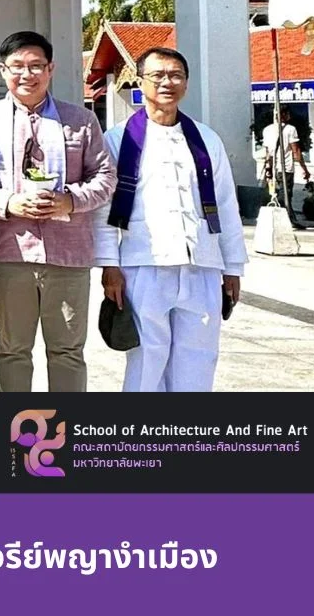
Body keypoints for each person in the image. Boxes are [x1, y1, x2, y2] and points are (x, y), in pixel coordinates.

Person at [0, 31, 115, 394]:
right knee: (13, 351)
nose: (26, 75)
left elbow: (106, 176)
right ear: (2, 70)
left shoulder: (80, 121)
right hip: (10, 253)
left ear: (51, 69)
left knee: (67, 352)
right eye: (17, 67)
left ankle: (63, 443)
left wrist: (71, 200)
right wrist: (6, 202)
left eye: (36, 66)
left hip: (69, 255)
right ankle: (19, 444)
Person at [95, 48, 246, 392]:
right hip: (143, 264)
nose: (167, 82)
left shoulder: (207, 140)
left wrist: (233, 266)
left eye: (176, 75)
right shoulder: (118, 140)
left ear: (187, 83)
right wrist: (109, 265)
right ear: (140, 80)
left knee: (199, 356)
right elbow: (103, 210)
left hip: (202, 265)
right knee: (147, 356)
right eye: (158, 75)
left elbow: (225, 204)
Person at [262, 107, 309, 229]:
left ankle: (289, 218)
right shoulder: (290, 129)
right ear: (284, 115)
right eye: (288, 114)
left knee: (280, 193)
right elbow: (296, 151)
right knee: (286, 194)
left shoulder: (267, 130)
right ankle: (288, 219)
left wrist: (268, 169)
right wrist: (304, 169)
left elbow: (267, 152)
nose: (290, 116)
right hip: (286, 167)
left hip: (273, 168)